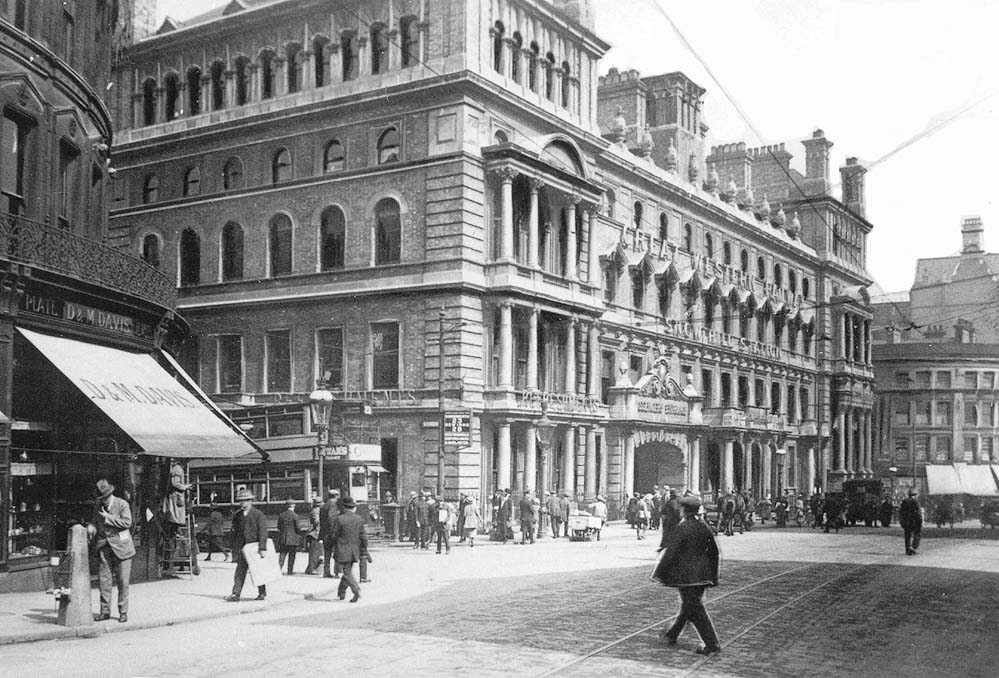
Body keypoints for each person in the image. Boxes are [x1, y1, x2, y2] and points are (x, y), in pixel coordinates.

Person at [652, 494, 721, 656]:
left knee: (695, 609)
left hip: (686, 577)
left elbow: (671, 552)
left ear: (684, 510)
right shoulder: (704, 526)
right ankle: (672, 634)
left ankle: (712, 644)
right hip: (703, 577)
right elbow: (714, 553)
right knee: (689, 606)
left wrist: (660, 572)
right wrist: (713, 576)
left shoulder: (683, 528)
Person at [89, 479, 135, 623]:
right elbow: (95, 521)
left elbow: (127, 522)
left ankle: (123, 611)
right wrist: (91, 527)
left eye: (105, 498)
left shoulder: (122, 504)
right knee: (104, 581)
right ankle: (105, 611)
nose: (103, 501)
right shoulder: (98, 506)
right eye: (101, 498)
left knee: (123, 582)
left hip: (123, 548)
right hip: (104, 547)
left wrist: (108, 517)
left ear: (110, 495)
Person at [226, 488, 268, 602]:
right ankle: (236, 594)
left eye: (245, 500)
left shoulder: (258, 514)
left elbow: (263, 531)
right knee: (240, 571)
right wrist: (233, 547)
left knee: (257, 570)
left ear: (250, 501)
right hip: (242, 548)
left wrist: (262, 548)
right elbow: (234, 531)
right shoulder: (238, 515)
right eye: (241, 501)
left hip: (254, 548)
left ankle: (262, 593)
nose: (242, 503)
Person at [330, 496, 368, 603]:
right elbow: (363, 536)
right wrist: (364, 549)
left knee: (346, 572)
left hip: (342, 550)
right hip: (354, 550)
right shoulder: (359, 519)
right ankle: (341, 594)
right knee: (347, 571)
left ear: (344, 507)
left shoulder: (339, 519)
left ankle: (356, 590)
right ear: (353, 508)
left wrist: (331, 546)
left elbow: (333, 535)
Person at [276, 498, 302, 575]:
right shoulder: (295, 516)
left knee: (282, 555)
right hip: (293, 539)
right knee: (292, 556)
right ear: (293, 506)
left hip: (283, 539)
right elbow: (298, 528)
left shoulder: (281, 515)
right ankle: (290, 571)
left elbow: (278, 527)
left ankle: (278, 570)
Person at [320, 489, 341, 577]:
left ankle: (326, 572)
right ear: (335, 496)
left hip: (325, 533)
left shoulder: (323, 506)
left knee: (327, 553)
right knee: (337, 553)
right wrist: (335, 531)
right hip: (332, 533)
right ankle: (337, 571)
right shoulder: (333, 506)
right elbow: (331, 519)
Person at [899, 489, 923, 555]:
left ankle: (908, 550)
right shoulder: (916, 501)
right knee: (917, 533)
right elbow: (918, 512)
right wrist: (920, 520)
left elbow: (901, 512)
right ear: (914, 495)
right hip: (914, 521)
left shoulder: (904, 501)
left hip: (906, 521)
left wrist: (902, 521)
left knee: (907, 536)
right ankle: (914, 547)